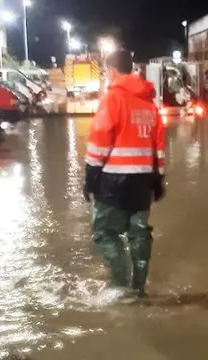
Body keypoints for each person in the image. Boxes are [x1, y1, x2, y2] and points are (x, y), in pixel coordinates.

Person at [83, 49, 166, 300]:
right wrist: (159, 178)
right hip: (143, 181)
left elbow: (100, 139)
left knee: (105, 233)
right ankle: (138, 290)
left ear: (112, 71)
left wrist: (90, 177)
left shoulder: (113, 98)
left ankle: (119, 287)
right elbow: (159, 144)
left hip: (114, 181)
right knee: (139, 234)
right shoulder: (149, 102)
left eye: (106, 72)